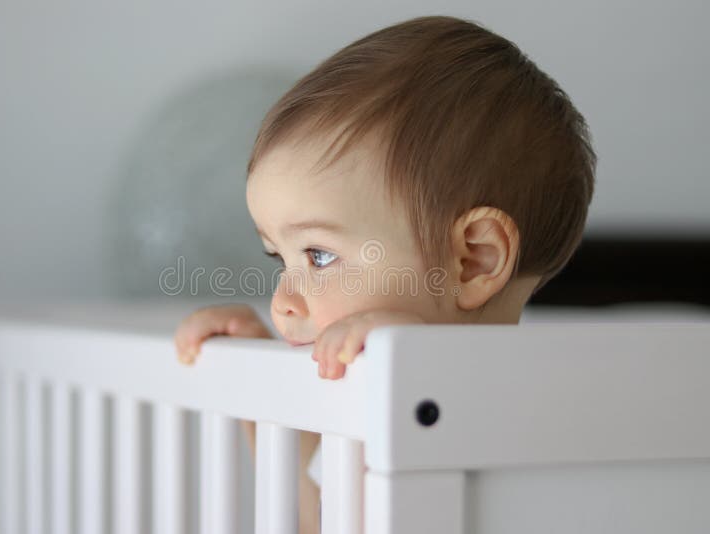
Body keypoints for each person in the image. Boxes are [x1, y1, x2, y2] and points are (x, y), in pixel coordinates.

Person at [174, 14, 596, 533]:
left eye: (319, 256)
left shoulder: (557, 422)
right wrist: (255, 382)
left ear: (473, 262)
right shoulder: (363, 404)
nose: (283, 300)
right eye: (279, 259)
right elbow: (318, 519)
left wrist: (416, 354)